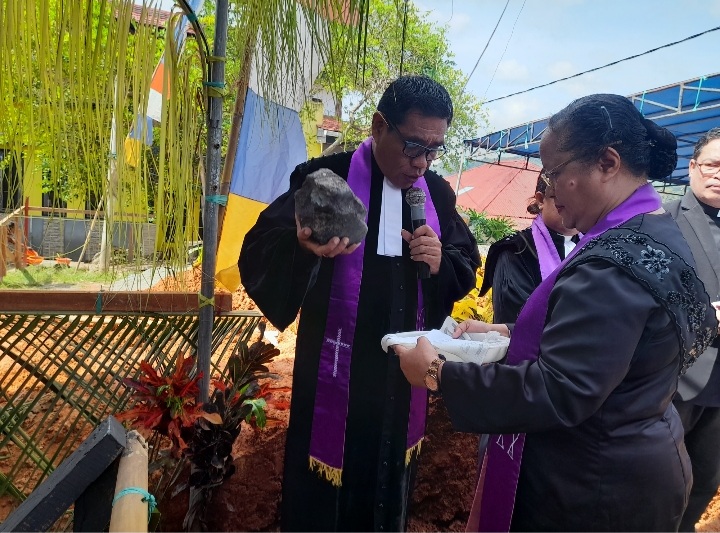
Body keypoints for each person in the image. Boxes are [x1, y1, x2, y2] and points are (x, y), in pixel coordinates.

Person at [391, 93, 719, 532]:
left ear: (607, 162)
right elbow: (618, 344)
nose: (547, 189)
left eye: (554, 172)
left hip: (593, 486)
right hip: (630, 459)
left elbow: (562, 388)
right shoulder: (652, 229)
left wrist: (438, 374)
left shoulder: (614, 263)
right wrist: (512, 333)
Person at [239, 75, 480, 532]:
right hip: (334, 370)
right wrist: (301, 248)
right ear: (378, 126)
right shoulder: (324, 179)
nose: (421, 163)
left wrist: (439, 262)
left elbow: (464, 262)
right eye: (413, 146)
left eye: (434, 150)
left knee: (387, 495)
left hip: (403, 377)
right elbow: (257, 252)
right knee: (324, 505)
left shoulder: (436, 194)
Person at [665, 127, 720, 532]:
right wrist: (703, 313)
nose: (719, 175)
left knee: (704, 479)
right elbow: (639, 296)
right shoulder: (662, 221)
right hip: (677, 375)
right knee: (663, 479)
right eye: (712, 165)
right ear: (692, 167)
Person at [479, 175, 579, 323]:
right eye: (568, 198)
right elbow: (517, 319)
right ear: (541, 200)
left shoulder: (594, 246)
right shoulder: (516, 251)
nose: (578, 206)